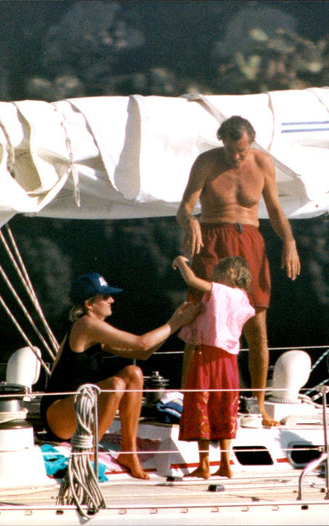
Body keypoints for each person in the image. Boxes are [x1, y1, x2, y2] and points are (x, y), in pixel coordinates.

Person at [176, 115, 300, 427]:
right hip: (213, 238)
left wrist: (289, 240)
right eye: (232, 150)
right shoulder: (206, 162)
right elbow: (184, 207)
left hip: (250, 241)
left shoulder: (262, 163)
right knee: (199, 321)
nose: (236, 157)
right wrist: (190, 220)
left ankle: (259, 403)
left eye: (242, 151)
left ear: (251, 144)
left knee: (257, 324)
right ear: (222, 141)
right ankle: (190, 401)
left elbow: (274, 209)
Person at [39, 272, 201, 480]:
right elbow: (141, 342)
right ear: (89, 304)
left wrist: (174, 320)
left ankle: (129, 451)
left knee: (133, 373)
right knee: (115, 384)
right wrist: (177, 322)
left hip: (77, 410)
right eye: (105, 297)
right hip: (56, 415)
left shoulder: (95, 331)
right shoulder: (86, 325)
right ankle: (90, 454)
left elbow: (143, 353)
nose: (111, 300)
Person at [173, 255, 256, 479]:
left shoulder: (219, 292)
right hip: (229, 360)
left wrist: (180, 262)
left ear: (230, 274)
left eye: (219, 272)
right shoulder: (243, 298)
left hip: (207, 355)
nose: (214, 276)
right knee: (224, 405)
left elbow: (191, 279)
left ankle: (204, 464)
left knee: (202, 403)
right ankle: (225, 462)